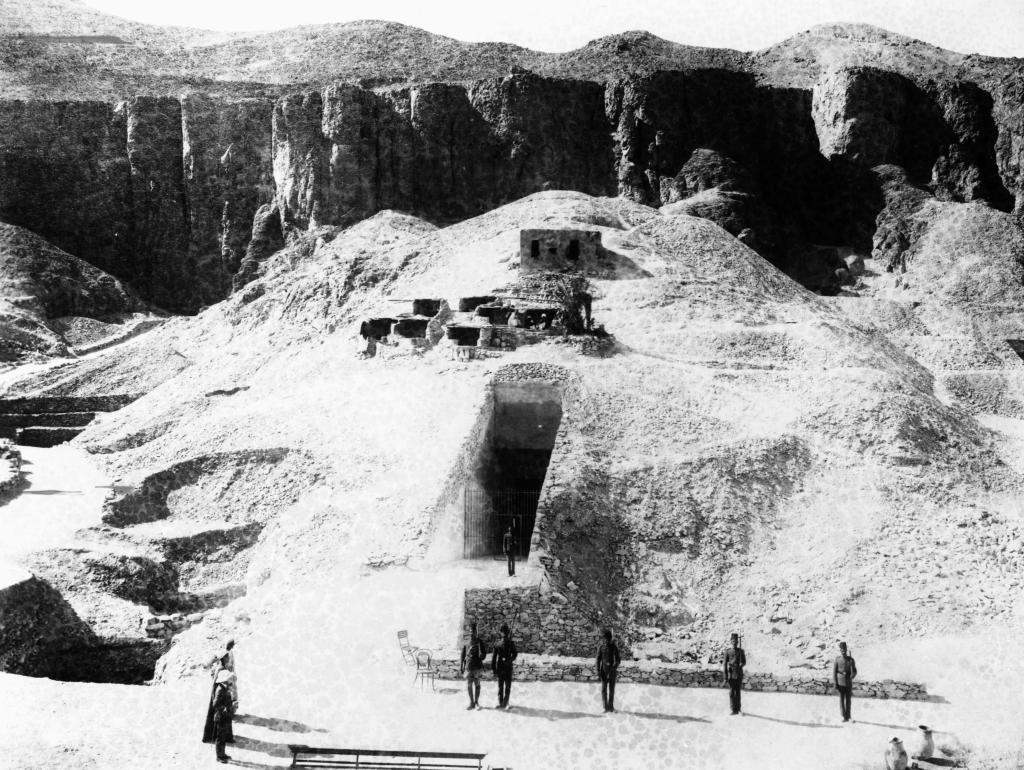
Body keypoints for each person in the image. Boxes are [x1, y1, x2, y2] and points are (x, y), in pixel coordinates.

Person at [202, 656, 236, 758]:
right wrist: (224, 708)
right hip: (220, 715)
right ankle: (220, 756)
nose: (230, 682)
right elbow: (216, 704)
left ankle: (222, 754)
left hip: (224, 715)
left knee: (223, 735)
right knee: (220, 737)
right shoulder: (220, 690)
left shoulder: (225, 688)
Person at [460, 621, 487, 710]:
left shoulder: (480, 642)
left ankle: (477, 702)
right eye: (471, 631)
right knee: (469, 685)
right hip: (469, 667)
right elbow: (463, 655)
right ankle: (471, 703)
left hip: (477, 666)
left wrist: (482, 656)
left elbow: (484, 654)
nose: (472, 632)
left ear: (476, 631)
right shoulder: (466, 641)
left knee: (477, 684)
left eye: (473, 631)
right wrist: (461, 666)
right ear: (469, 631)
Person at [491, 623, 518, 709]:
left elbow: (493, 659)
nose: (505, 634)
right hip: (507, 667)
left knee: (501, 686)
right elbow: (515, 654)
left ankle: (503, 703)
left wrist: (494, 670)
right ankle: (504, 703)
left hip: (502, 667)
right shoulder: (509, 642)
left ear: (501, 632)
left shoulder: (499, 643)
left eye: (504, 632)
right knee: (506, 686)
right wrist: (510, 659)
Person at [596, 629, 621, 713]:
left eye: (606, 638)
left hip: (612, 671)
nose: (604, 640)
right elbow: (598, 659)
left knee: (611, 689)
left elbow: (618, 659)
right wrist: (598, 671)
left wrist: (615, 665)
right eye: (604, 638)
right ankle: (605, 707)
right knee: (604, 689)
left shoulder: (614, 647)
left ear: (609, 638)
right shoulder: (601, 647)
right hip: (603, 671)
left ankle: (611, 707)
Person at [833, 641, 858, 722]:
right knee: (841, 700)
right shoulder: (837, 659)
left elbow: (854, 671)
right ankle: (843, 716)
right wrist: (835, 683)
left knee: (848, 700)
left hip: (848, 682)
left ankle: (849, 716)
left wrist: (852, 675)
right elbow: (834, 672)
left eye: (844, 650)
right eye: (842, 650)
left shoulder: (851, 660)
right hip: (840, 683)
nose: (843, 651)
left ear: (846, 650)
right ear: (840, 650)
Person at [723, 633, 746, 715]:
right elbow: (725, 664)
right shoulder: (727, 651)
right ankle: (733, 709)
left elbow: (744, 661)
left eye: (736, 641)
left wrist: (741, 664)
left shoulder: (741, 651)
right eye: (733, 641)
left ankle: (739, 709)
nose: (735, 642)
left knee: (738, 692)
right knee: (732, 692)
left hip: (739, 673)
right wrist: (725, 677)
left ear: (738, 642)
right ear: (731, 641)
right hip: (731, 674)